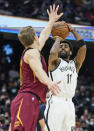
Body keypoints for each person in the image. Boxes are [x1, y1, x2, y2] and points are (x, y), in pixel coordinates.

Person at [10, 4, 63, 131]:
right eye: (37, 35)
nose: (39, 37)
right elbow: (38, 70)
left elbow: (44, 35)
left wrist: (51, 22)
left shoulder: (33, 50)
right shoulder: (32, 54)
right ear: (34, 37)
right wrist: (49, 82)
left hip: (31, 100)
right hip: (27, 99)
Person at [44, 24, 87, 131]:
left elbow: (83, 47)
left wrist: (73, 31)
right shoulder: (54, 62)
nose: (62, 47)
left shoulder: (75, 64)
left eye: (66, 46)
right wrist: (59, 38)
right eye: (61, 46)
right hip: (56, 102)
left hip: (69, 105)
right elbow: (53, 52)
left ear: (71, 52)